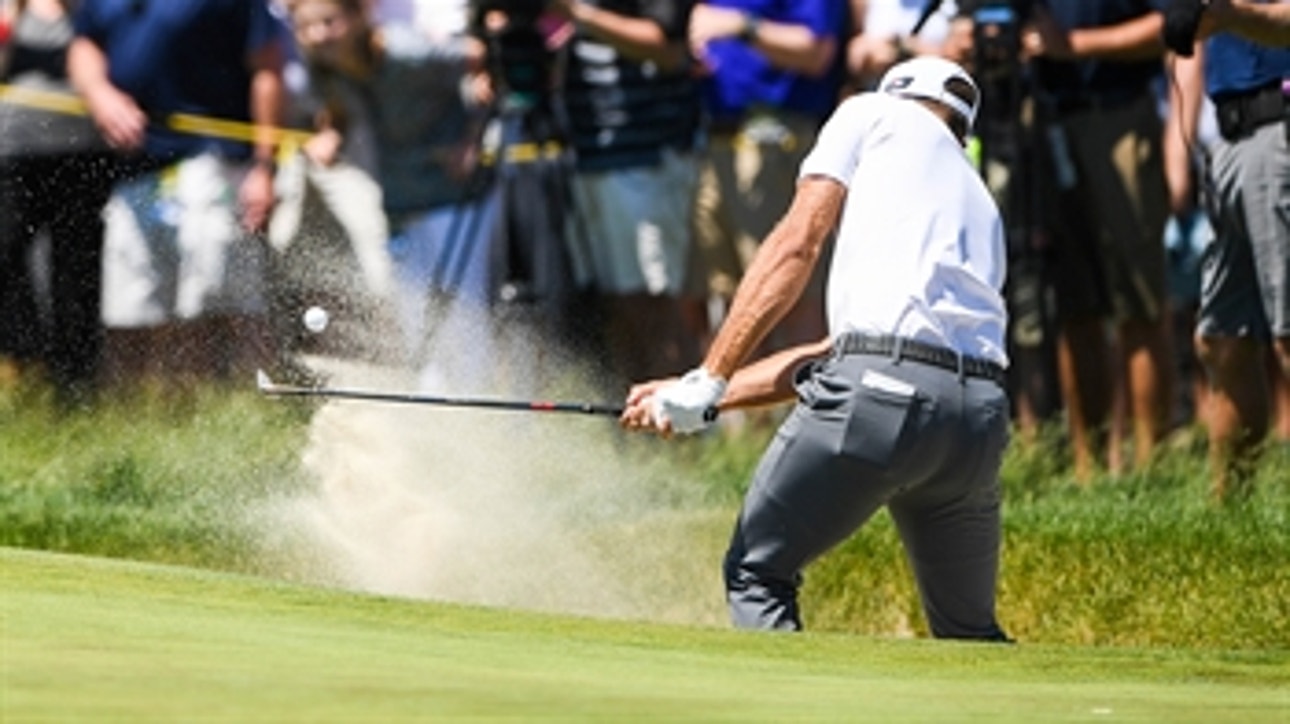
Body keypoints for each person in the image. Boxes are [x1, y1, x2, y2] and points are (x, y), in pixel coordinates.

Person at [623, 57, 1011, 640]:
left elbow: (796, 245)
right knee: (968, 631)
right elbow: (837, 352)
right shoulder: (977, 200)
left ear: (895, 92)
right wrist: (700, 392)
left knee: (758, 573)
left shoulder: (868, 113)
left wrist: (711, 373)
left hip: (881, 399)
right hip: (978, 421)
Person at [68, 0, 287, 389]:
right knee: (130, 311)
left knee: (214, 305)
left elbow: (268, 68)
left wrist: (264, 166)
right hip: (135, 167)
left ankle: (234, 414)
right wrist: (99, 93)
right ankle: (146, 428)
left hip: (217, 161)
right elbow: (85, 43)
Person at [284, 0, 497, 387]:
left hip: (454, 200)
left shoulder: (407, 52)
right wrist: (333, 133)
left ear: (358, 15)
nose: (318, 35)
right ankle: (435, 419)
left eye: (329, 22)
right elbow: (339, 111)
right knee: (417, 320)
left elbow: (483, 58)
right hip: (399, 204)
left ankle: (475, 411)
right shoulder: (324, 67)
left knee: (463, 314)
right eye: (306, 27)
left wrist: (474, 138)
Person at [1019, 1, 1176, 480]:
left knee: (1140, 303)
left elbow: (1172, 25)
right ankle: (1090, 469)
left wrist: (1074, 46)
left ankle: (1150, 467)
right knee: (1075, 306)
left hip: (1121, 117)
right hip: (1048, 122)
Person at [549, 0, 703, 388]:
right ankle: (639, 431)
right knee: (617, 303)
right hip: (589, 155)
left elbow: (668, 47)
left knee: (653, 302)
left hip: (646, 160)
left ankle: (684, 435)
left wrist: (579, 14)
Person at [688, 0, 848, 356]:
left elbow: (816, 52)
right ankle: (744, 409)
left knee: (788, 291)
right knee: (729, 296)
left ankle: (802, 407)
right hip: (714, 141)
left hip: (777, 144)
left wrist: (742, 27)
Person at [1175, 4, 1290, 496]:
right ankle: (1232, 513)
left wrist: (1224, 10)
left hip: (1280, 132)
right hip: (1228, 137)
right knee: (1223, 339)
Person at [0, 0, 116, 404]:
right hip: (14, 150)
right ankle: (25, 354)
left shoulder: (95, 10)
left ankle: (75, 386)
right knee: (6, 252)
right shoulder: (13, 10)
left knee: (76, 269)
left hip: (84, 150)